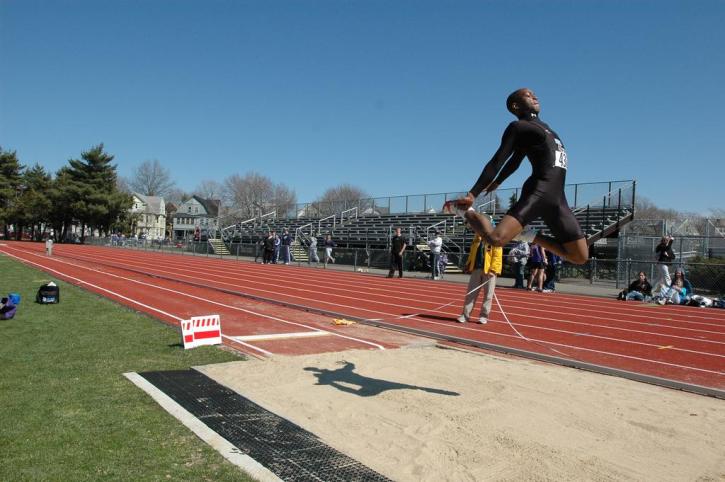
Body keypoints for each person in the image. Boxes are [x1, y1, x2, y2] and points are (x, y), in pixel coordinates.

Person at [443, 88, 588, 265]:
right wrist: (473, 194)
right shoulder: (518, 127)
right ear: (516, 105)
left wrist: (498, 181)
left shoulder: (547, 128)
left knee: (580, 256)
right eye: (529, 95)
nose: (535, 97)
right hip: (538, 191)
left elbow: (515, 161)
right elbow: (498, 160)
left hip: (558, 199)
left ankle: (529, 235)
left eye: (535, 94)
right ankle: (463, 210)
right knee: (496, 239)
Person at [457, 233, 503, 324]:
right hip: (476, 269)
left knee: (488, 295)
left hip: (489, 271)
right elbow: (472, 253)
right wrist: (468, 264)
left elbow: (497, 256)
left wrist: (493, 269)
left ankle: (483, 316)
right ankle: (465, 315)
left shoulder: (495, 240)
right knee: (471, 294)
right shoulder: (477, 238)